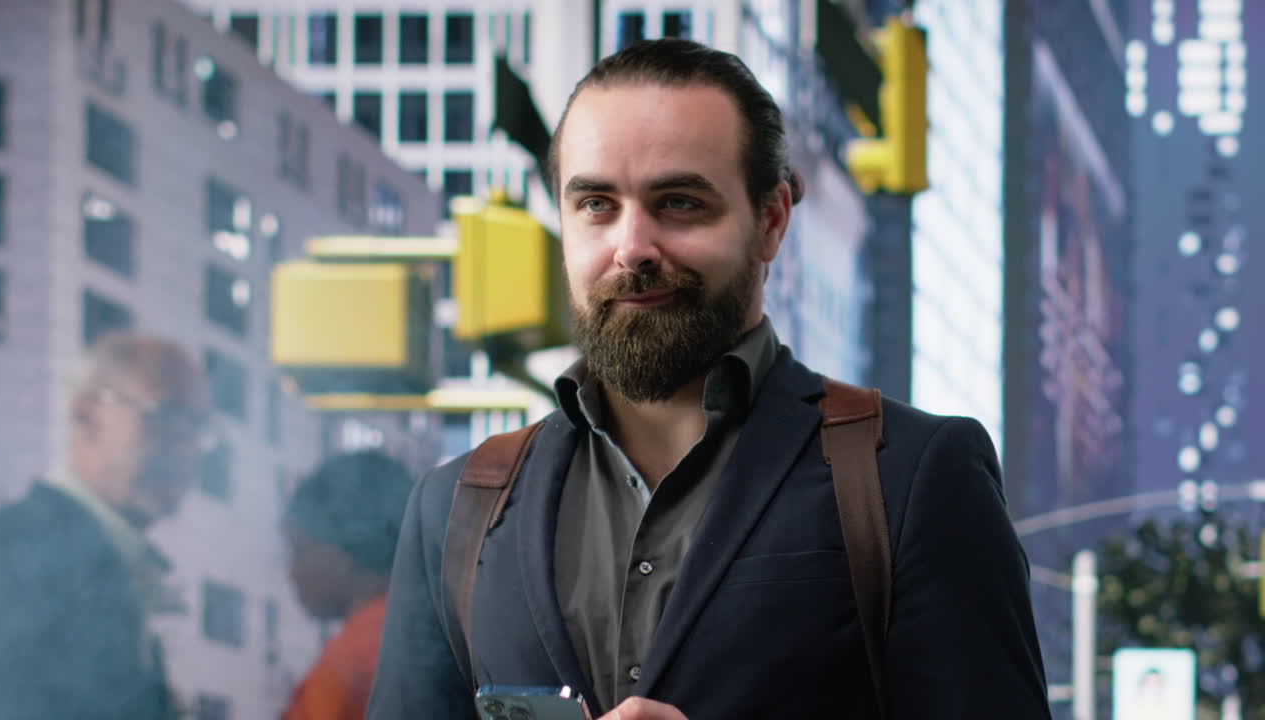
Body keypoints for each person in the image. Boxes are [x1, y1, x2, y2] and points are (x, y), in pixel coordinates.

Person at [368, 39, 1051, 720]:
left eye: (679, 203)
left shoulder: (911, 476)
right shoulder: (455, 509)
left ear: (771, 221)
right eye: (597, 205)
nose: (632, 248)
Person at [0, 332, 212, 720]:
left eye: (199, 429)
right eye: (168, 417)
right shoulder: (10, 554)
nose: (188, 448)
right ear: (87, 415)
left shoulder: (108, 560)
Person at [281, 451, 415, 720]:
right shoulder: (432, 632)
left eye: (300, 549)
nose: (293, 571)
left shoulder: (351, 662)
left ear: (344, 548)